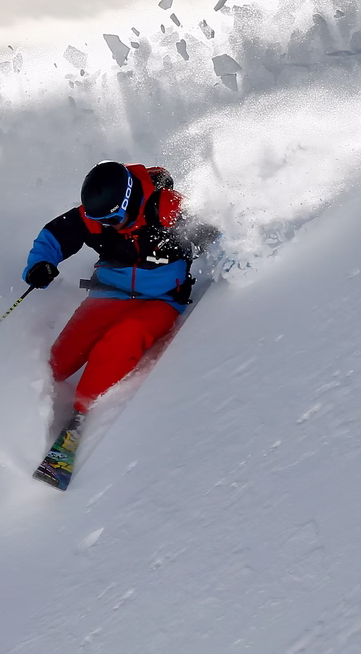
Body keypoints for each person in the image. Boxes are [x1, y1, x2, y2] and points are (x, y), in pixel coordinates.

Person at [22, 161, 219, 454]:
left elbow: (211, 234)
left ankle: (81, 412)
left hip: (160, 300)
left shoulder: (167, 210)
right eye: (100, 219)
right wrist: (40, 264)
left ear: (128, 200)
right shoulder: (95, 218)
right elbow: (55, 236)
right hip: (108, 294)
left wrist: (222, 248)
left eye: (113, 217)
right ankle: (25, 407)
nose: (107, 224)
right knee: (60, 359)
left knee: (123, 339)